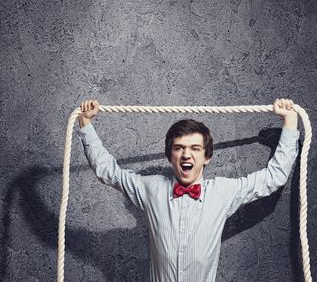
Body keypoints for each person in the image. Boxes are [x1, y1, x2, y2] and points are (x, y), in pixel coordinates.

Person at [77, 98, 300, 282]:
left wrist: (289, 124)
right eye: (179, 148)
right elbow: (108, 171)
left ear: (207, 157)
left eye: (195, 148)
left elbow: (273, 177)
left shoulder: (223, 191)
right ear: (169, 155)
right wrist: (86, 125)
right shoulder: (150, 188)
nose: (186, 155)